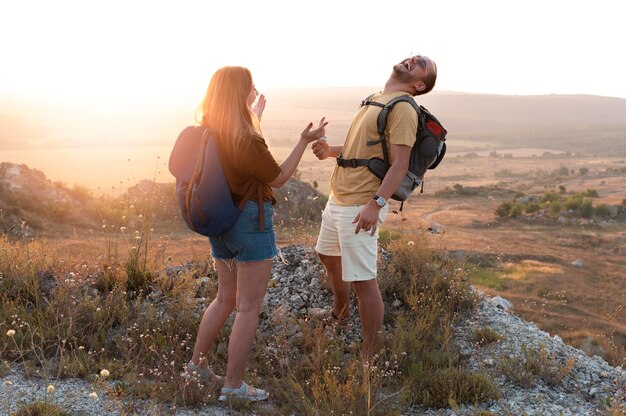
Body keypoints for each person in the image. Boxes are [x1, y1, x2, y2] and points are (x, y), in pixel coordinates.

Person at [183, 66, 327, 401]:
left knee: (224, 299)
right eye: (250, 87)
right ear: (238, 94)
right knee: (248, 307)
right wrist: (303, 141)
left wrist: (253, 118)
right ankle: (233, 387)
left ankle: (195, 368)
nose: (255, 91)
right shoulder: (244, 138)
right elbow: (277, 177)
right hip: (249, 222)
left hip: (220, 221)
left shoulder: (210, 129)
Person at [309, 54, 437, 360]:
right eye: (414, 56)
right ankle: (340, 313)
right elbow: (361, 149)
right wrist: (330, 152)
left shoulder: (404, 108)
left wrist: (376, 204)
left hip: (362, 201)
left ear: (419, 84)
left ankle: (370, 353)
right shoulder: (376, 99)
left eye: (422, 63)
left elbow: (400, 163)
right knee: (326, 253)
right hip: (340, 195)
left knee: (363, 279)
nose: (413, 59)